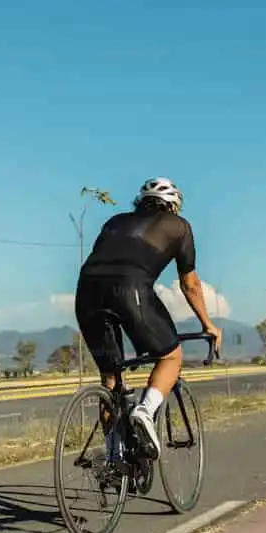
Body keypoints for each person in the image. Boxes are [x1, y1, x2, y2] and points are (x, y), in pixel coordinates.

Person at [74, 177, 221, 460]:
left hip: (86, 292)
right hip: (130, 289)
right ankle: (145, 410)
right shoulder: (179, 226)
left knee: (111, 379)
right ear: (173, 205)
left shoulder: (115, 221)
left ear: (140, 202)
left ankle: (114, 457)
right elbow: (190, 284)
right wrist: (208, 324)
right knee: (171, 357)